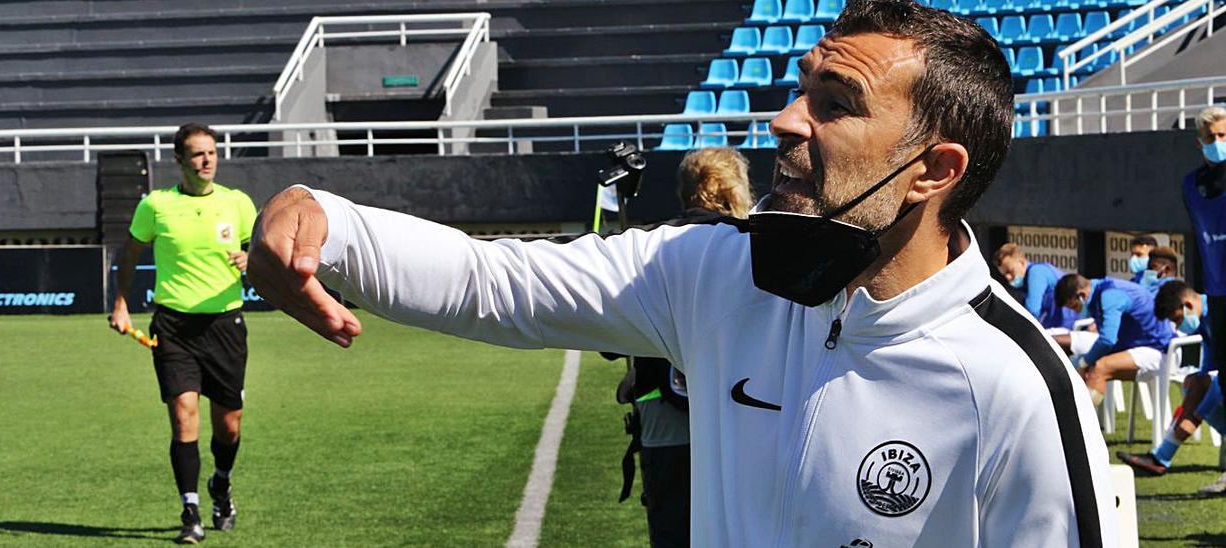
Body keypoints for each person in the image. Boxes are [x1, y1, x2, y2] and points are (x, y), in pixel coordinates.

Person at [248, 1, 1118, 545]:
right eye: (800, 85)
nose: (784, 119)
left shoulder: (1016, 388)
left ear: (933, 170)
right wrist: (335, 221)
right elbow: (495, 282)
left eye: (834, 104)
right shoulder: (715, 270)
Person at [109, 123, 256, 544]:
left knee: (229, 426)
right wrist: (120, 302)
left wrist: (251, 257)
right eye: (197, 154)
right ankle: (190, 512)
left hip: (225, 325)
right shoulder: (155, 206)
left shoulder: (238, 203)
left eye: (211, 152)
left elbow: (261, 250)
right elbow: (130, 253)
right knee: (183, 415)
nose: (207, 160)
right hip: (173, 326)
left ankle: (221, 484)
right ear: (179, 160)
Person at [615, 147, 755, 548]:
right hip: (745, 417)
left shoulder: (651, 246)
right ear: (737, 187)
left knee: (673, 531)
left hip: (665, 420)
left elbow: (612, 337)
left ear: (685, 190)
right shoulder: (756, 245)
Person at [1114, 281, 1226, 493]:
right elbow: (1211, 366)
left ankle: (1162, 455)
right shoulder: (1206, 318)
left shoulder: (1219, 311)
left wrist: (1195, 416)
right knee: (1194, 383)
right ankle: (1161, 456)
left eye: (1177, 319)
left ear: (1188, 305)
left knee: (1203, 388)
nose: (1178, 326)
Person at [1054, 274, 1174, 406]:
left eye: (1074, 307)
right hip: (1141, 346)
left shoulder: (1109, 295)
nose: (1076, 312)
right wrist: (1083, 362)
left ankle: (1084, 421)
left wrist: (1084, 362)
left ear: (1082, 295)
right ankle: (1074, 414)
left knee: (1100, 367)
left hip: (1161, 350)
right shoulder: (1098, 292)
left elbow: (1107, 341)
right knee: (1085, 363)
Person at [1182, 105, 1226, 401]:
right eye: (1211, 137)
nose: (1218, 142)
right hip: (1218, 293)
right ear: (1200, 142)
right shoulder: (1191, 185)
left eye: (1223, 135)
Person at [991, 242, 1078, 329]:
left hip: (1069, 325)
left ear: (1022, 262)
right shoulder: (1024, 283)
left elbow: (1032, 311)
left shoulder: (1036, 272)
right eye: (1004, 274)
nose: (1008, 277)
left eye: (1010, 271)